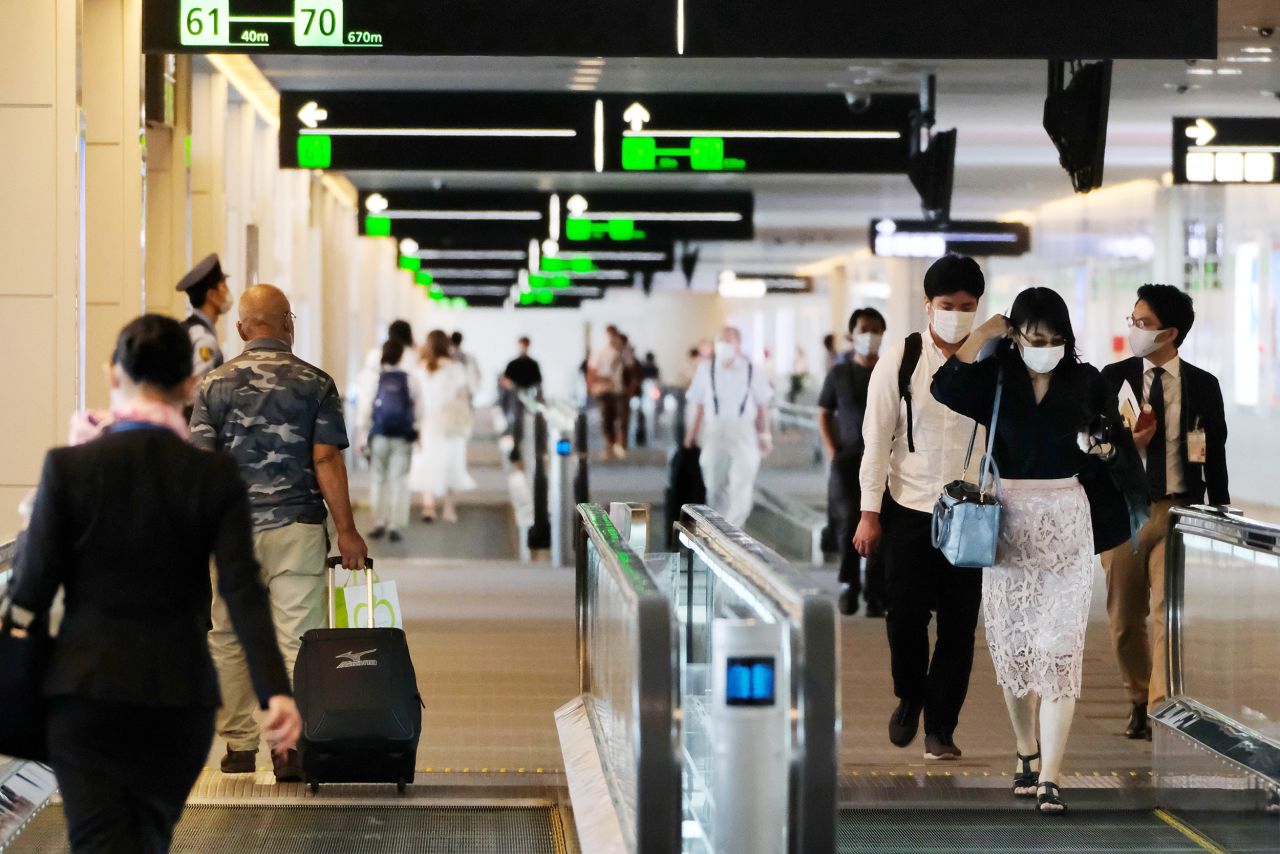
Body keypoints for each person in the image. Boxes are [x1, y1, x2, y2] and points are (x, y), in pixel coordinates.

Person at [6, 315, 301, 852]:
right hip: (178, 698)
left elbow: (29, 593)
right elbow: (242, 592)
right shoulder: (212, 476)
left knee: (97, 841)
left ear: (112, 373)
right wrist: (275, 692)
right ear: (191, 385)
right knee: (148, 840)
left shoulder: (68, 467)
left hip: (85, 694)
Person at [933, 287, 1148, 814]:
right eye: (1035, 338)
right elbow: (944, 386)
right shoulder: (996, 376)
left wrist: (1103, 446)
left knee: (1057, 650)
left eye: (1056, 339)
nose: (1046, 347)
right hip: (1006, 524)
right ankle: (1026, 751)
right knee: (1013, 651)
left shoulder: (1085, 379)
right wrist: (983, 332)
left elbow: (1113, 443)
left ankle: (1051, 775)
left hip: (1067, 523)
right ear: (1017, 335)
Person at [190, 284, 368, 781]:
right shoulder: (315, 383)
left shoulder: (212, 386)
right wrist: (348, 530)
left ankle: (239, 746)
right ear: (289, 324)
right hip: (297, 528)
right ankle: (288, 748)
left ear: (242, 329)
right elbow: (326, 458)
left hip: (230, 538)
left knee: (228, 637)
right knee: (298, 638)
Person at [854, 254, 986, 762]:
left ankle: (941, 727)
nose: (957, 314)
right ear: (928, 305)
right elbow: (876, 438)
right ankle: (910, 692)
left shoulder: (991, 358)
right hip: (909, 504)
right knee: (905, 614)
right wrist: (869, 512)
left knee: (959, 623)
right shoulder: (902, 357)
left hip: (971, 510)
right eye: (947, 305)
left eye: (968, 306)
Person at [1100, 284, 1229, 740]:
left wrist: (1220, 513)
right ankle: (1137, 694)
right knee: (1123, 621)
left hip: (1178, 510)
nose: (1134, 330)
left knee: (1164, 615)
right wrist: (1126, 446)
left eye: (1143, 324)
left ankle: (1156, 708)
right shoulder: (1112, 378)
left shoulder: (1202, 386)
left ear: (1170, 332)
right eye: (1132, 320)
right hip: (1125, 514)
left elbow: (1214, 454)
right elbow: (1090, 447)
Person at [819, 307, 887, 617]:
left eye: (876, 329)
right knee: (849, 519)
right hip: (847, 461)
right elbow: (824, 413)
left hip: (883, 460)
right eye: (864, 329)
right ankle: (850, 585)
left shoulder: (890, 372)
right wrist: (833, 450)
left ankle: (876, 592)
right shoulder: (839, 373)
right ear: (851, 334)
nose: (870, 336)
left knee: (879, 522)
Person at [685, 326, 774, 526]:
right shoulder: (706, 368)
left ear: (738, 344)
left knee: (741, 482)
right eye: (721, 340)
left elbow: (762, 406)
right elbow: (698, 404)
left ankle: (735, 530)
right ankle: (717, 528)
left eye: (729, 340)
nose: (724, 345)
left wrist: (764, 435)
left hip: (743, 431)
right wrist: (691, 433)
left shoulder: (751, 369)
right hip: (714, 431)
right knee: (714, 482)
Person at [357, 338, 424, 544]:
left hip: (379, 435)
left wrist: (362, 435)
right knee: (399, 479)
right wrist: (417, 431)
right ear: (401, 356)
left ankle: (379, 521)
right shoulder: (410, 379)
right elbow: (419, 409)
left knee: (378, 478)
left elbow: (365, 409)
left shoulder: (374, 379)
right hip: (402, 437)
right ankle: (395, 525)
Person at [413, 330, 476, 523]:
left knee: (428, 461)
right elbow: (464, 394)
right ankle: (449, 509)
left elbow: (416, 399)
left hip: (428, 421)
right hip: (450, 422)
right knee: (451, 462)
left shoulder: (420, 369)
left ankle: (428, 506)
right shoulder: (455, 368)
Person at [176, 254, 233, 417]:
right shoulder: (204, 339)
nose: (228, 292)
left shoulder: (189, 329)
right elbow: (196, 394)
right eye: (224, 286)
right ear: (212, 295)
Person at [588, 325, 628, 460]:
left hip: (619, 390)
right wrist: (592, 386)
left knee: (620, 418)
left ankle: (618, 444)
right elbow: (592, 370)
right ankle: (609, 444)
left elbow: (630, 370)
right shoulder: (600, 352)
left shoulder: (623, 352)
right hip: (604, 389)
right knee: (606, 418)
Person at [501, 336, 543, 463]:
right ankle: (517, 447)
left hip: (529, 397)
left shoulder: (533, 364)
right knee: (518, 421)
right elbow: (505, 380)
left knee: (530, 423)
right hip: (516, 396)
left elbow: (538, 382)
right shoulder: (513, 364)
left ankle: (531, 450)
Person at [450, 331, 482, 403]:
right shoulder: (470, 358)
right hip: (467, 392)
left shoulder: (448, 360)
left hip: (457, 394)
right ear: (461, 341)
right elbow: (478, 375)